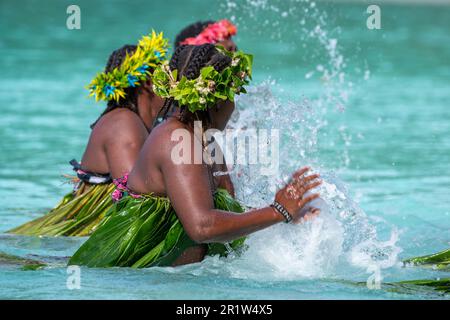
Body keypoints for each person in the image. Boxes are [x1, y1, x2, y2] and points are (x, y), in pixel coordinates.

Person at [69, 44, 321, 268]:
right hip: (130, 278)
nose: (233, 106)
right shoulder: (178, 141)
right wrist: (277, 211)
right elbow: (202, 226)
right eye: (232, 95)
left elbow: (227, 213)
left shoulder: (204, 138)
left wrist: (285, 216)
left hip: (173, 277)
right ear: (216, 100)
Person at [9, 31, 169, 237]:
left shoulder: (134, 121)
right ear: (148, 82)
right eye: (166, 77)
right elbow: (136, 196)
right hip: (82, 231)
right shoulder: (124, 123)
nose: (172, 85)